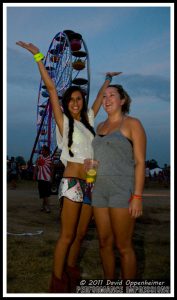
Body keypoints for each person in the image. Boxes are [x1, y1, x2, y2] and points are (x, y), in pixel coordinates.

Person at [16, 40, 120, 292]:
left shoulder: (89, 121)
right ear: (65, 103)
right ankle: (57, 280)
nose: (76, 102)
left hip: (91, 186)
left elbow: (96, 99)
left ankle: (71, 270)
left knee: (81, 235)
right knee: (67, 235)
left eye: (78, 99)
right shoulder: (63, 122)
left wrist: (107, 78)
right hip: (72, 184)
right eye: (71, 99)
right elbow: (51, 88)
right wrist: (38, 56)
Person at [91, 82, 147, 280]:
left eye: (112, 95)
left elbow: (140, 162)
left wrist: (137, 196)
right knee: (104, 243)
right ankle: (110, 287)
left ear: (122, 100)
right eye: (104, 96)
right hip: (99, 191)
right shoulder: (99, 126)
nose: (106, 100)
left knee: (123, 247)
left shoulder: (132, 124)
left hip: (122, 190)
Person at [34, 145, 52, 213]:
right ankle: (43, 206)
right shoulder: (39, 157)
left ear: (47, 151)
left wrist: (51, 178)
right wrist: (34, 174)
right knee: (43, 194)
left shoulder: (50, 159)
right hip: (40, 178)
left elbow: (52, 169)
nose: (42, 151)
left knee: (45, 194)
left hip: (47, 178)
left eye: (44, 150)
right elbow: (36, 166)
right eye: (42, 150)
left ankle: (48, 207)